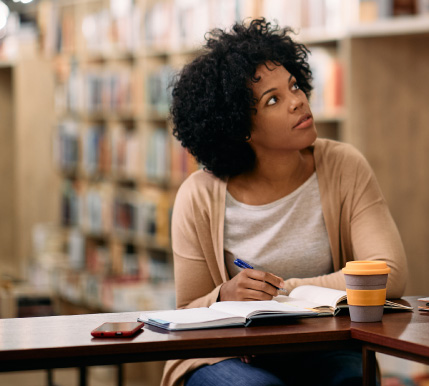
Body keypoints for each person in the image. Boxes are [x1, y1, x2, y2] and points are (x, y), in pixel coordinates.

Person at [163, 19, 408, 386]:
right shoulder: (199, 195)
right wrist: (224, 295)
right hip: (226, 351)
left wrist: (286, 291)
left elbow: (388, 273)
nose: (298, 101)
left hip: (321, 342)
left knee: (351, 379)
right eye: (273, 100)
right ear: (240, 127)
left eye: (294, 85)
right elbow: (185, 312)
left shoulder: (343, 165)